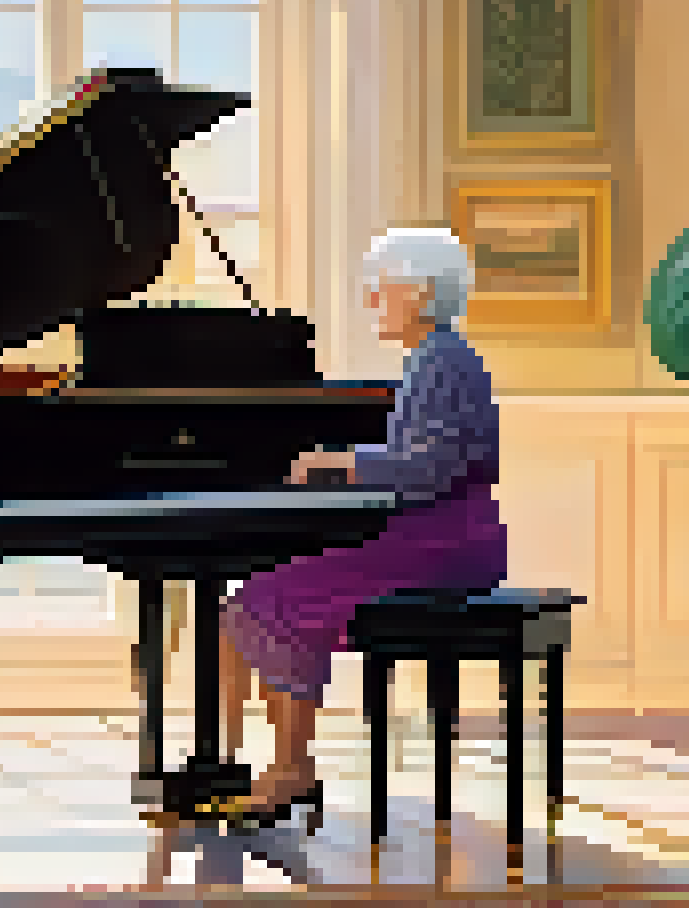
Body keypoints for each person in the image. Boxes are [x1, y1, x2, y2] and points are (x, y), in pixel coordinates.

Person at [214, 226, 509, 828]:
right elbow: (423, 461)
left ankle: (287, 768)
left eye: (384, 288)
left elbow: (428, 470)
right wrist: (353, 464)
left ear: (424, 294)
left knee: (267, 599)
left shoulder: (442, 362)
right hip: (442, 535)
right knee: (249, 604)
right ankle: (249, 761)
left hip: (443, 542)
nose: (373, 300)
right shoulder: (437, 358)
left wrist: (343, 462)